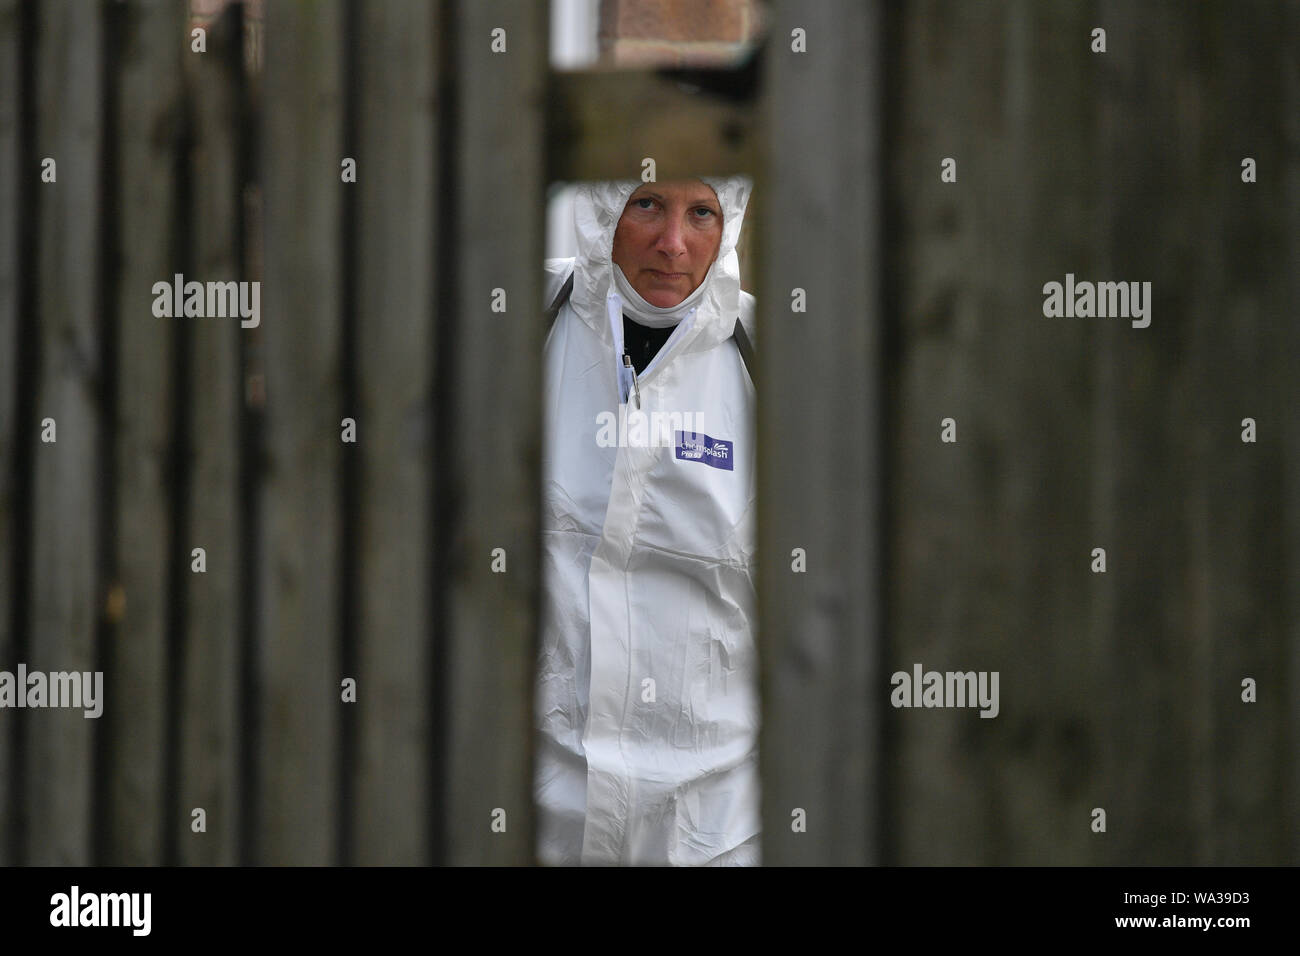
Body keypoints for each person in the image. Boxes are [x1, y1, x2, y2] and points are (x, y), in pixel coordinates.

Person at [535, 176, 759, 866]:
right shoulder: (524, 316)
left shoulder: (773, 353)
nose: (673, 243)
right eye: (647, 205)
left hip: (712, 828)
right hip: (543, 814)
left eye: (702, 213)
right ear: (605, 209)